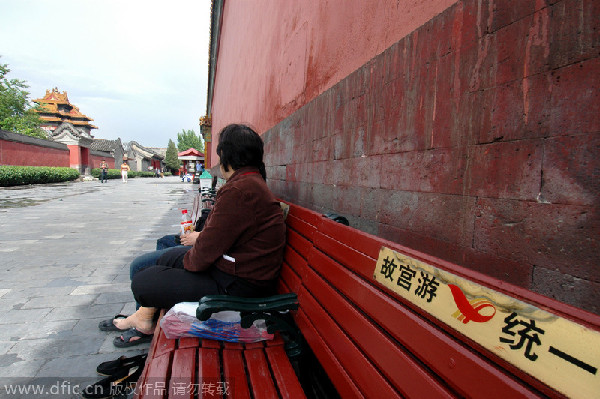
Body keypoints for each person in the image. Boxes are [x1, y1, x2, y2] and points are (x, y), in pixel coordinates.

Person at [107, 124, 286, 346]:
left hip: (238, 285)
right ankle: (144, 319)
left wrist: (188, 261)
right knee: (164, 258)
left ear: (226, 157)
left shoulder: (241, 190)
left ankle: (145, 320)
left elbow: (202, 256)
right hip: (232, 270)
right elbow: (213, 238)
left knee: (143, 280)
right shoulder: (248, 184)